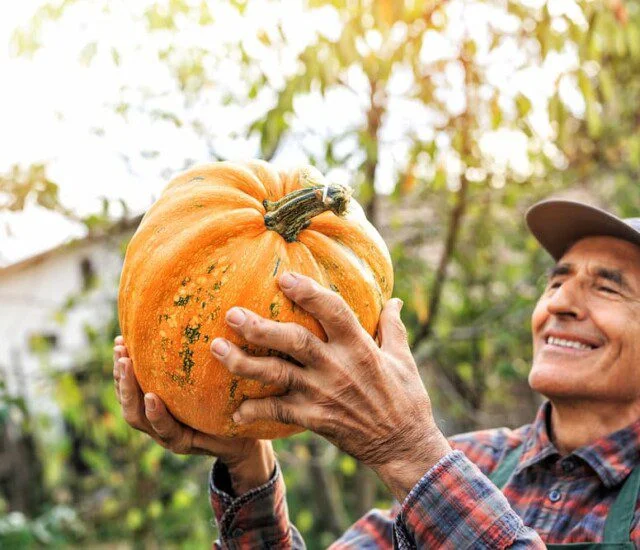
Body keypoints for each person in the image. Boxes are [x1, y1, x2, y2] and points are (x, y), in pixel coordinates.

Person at [113, 199, 640, 548]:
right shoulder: (472, 463)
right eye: (556, 282)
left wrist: (407, 450)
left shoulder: (433, 467)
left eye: (607, 287)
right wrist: (247, 461)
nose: (561, 303)